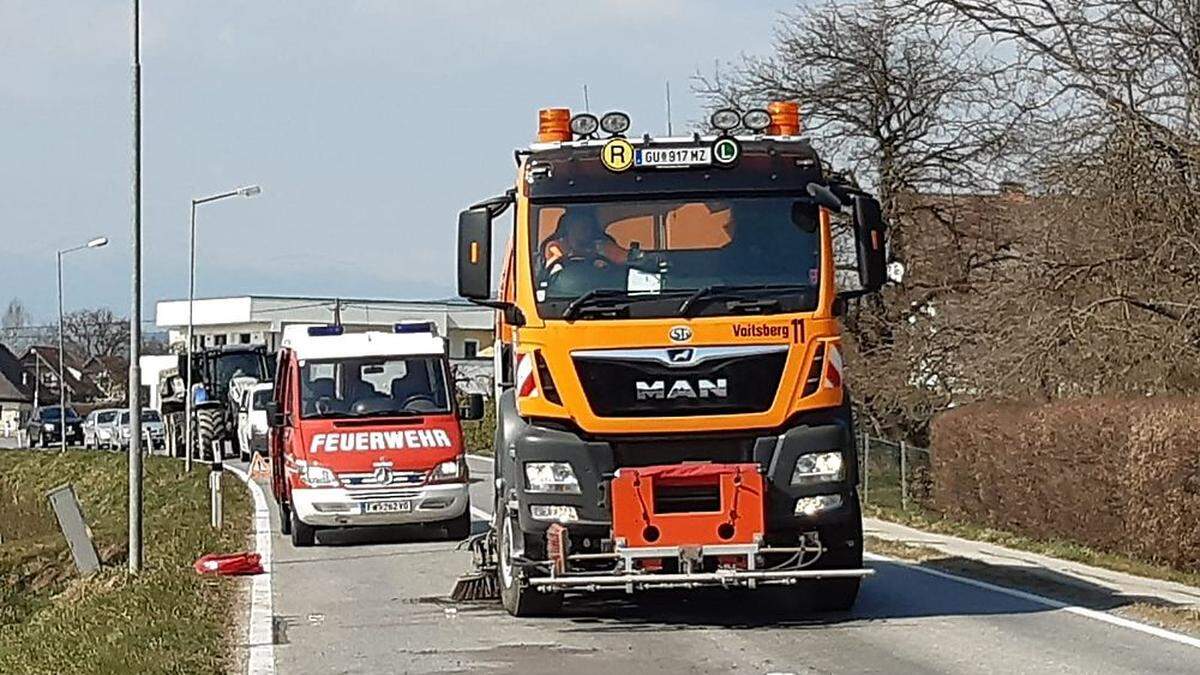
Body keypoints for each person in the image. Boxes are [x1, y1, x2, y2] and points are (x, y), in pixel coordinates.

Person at [541, 209, 628, 273]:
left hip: (606, 291)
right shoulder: (557, 247)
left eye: (587, 225)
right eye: (578, 225)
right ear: (568, 227)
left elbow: (626, 258)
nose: (584, 230)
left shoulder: (604, 247)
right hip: (564, 292)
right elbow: (549, 270)